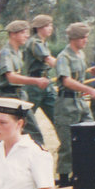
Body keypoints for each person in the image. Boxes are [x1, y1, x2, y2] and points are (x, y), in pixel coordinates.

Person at [55, 23, 95, 187]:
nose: (86, 40)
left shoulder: (80, 55)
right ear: (74, 38)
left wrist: (92, 71)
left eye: (86, 37)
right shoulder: (64, 57)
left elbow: (77, 75)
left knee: (89, 135)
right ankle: (63, 180)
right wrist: (90, 90)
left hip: (80, 102)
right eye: (83, 37)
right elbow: (66, 80)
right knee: (68, 143)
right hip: (66, 103)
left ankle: (83, 173)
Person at [0, 20, 52, 145]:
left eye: (26, 32)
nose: (27, 35)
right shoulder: (6, 53)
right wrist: (36, 81)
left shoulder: (18, 53)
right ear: (13, 34)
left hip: (19, 96)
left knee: (33, 133)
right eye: (23, 33)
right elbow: (11, 77)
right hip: (7, 98)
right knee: (2, 138)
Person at [23, 15, 59, 143]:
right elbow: (49, 60)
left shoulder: (42, 42)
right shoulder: (35, 43)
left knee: (58, 116)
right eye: (47, 25)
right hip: (34, 85)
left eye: (51, 25)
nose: (51, 28)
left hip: (46, 83)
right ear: (38, 28)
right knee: (25, 121)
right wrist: (65, 67)